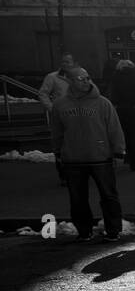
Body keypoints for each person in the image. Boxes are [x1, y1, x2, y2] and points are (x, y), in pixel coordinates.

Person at [51, 68, 125, 242]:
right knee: (78, 199)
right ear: (70, 82)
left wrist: (119, 151)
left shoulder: (102, 103)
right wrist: (57, 152)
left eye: (88, 77)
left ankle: (113, 230)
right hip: (73, 159)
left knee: (108, 196)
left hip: (100, 157)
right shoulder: (60, 105)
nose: (86, 81)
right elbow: (56, 131)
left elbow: (114, 129)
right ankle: (84, 231)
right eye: (81, 79)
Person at [39, 52, 78, 185]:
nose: (65, 64)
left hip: (79, 114)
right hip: (60, 115)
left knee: (77, 142)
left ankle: (79, 172)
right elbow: (43, 93)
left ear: (74, 63)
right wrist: (52, 108)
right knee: (61, 144)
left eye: (68, 61)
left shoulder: (81, 74)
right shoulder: (52, 77)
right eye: (63, 61)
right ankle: (64, 175)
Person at [108, 59, 135, 171]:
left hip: (121, 109)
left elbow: (113, 97)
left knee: (123, 134)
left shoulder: (115, 79)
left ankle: (125, 157)